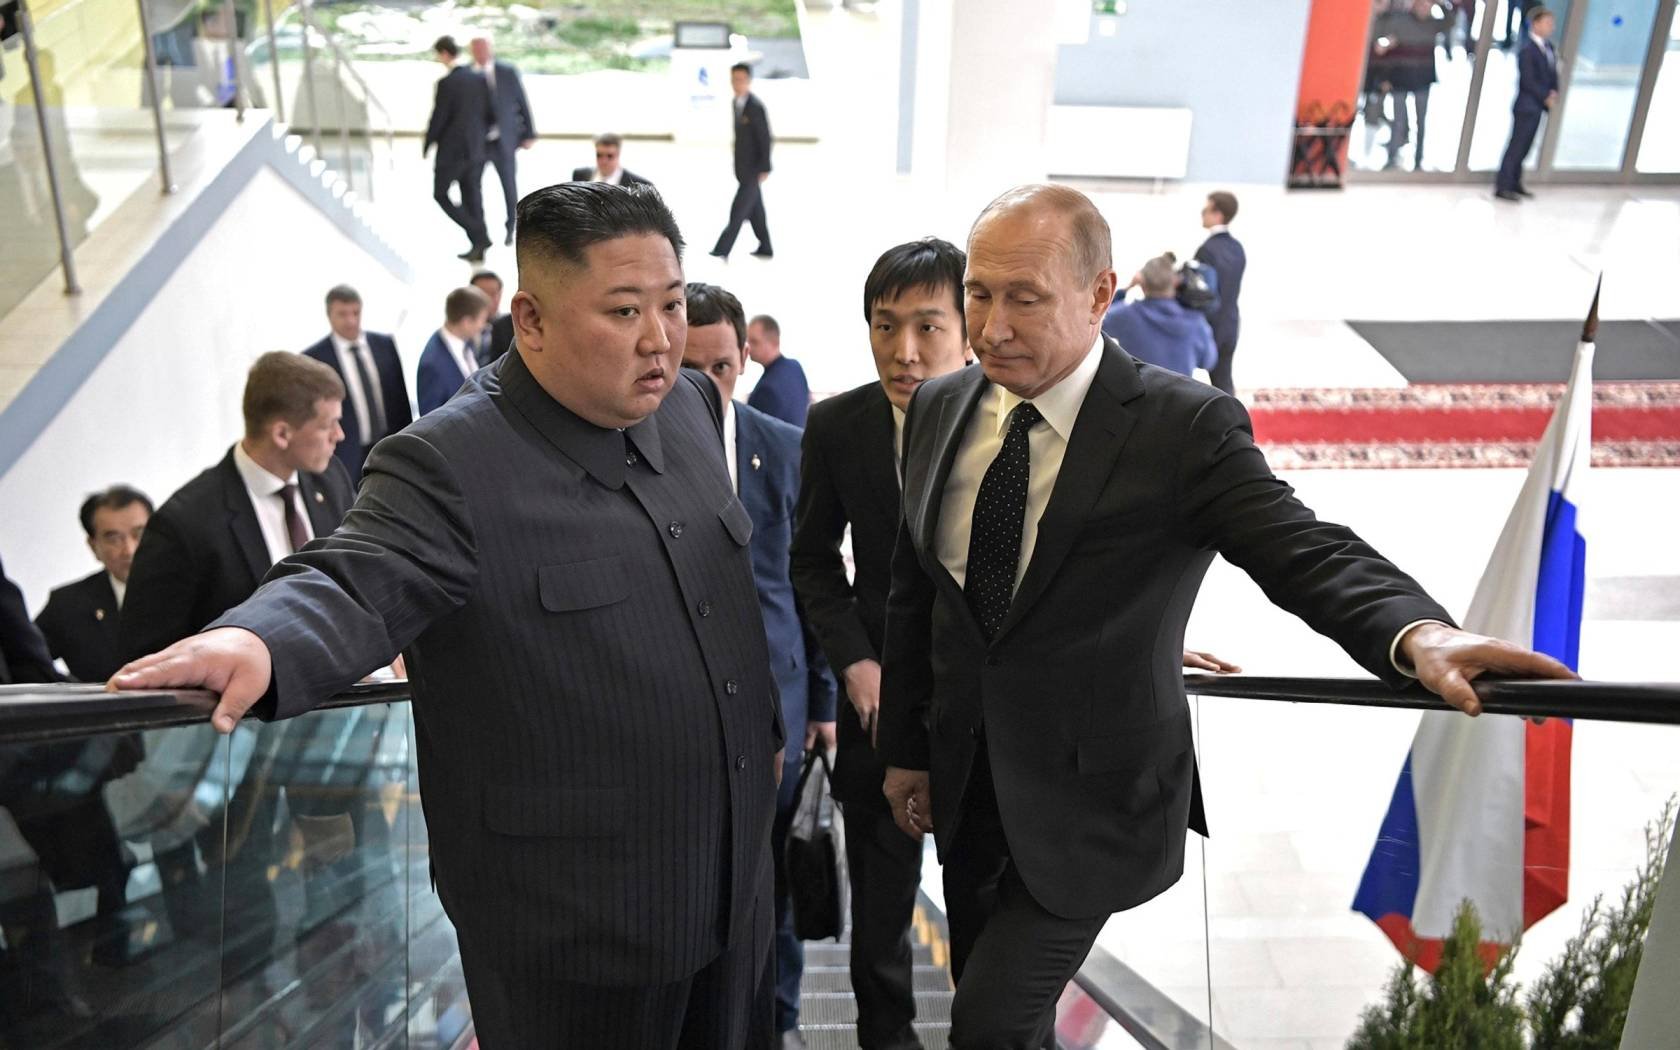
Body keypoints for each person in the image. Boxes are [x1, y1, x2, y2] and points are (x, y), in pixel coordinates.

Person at [875, 184, 1578, 1049]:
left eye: (1025, 298)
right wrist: (907, 748)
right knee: (995, 1000)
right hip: (968, 782)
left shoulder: (1181, 427)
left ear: (1102, 295)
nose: (990, 328)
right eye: (978, 294)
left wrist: (1416, 630)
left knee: (985, 1026)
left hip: (1094, 801)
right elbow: (917, 590)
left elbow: (1300, 546)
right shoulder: (944, 406)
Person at [111, 183, 783, 1050]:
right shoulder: (449, 462)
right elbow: (352, 575)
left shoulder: (690, 407)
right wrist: (255, 637)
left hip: (735, 892)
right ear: (531, 320)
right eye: (623, 311)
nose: (659, 339)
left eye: (672, 304)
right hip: (581, 934)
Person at [789, 237, 973, 1050]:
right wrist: (855, 661)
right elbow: (811, 561)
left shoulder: (1008, 422)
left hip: (982, 723)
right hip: (877, 720)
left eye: (928, 328)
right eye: (884, 326)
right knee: (880, 930)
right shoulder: (837, 424)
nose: (904, 352)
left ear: (970, 327)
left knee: (988, 928)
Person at [682, 282, 836, 1050]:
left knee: (777, 883)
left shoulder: (783, 447)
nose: (704, 385)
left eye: (719, 366)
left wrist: (825, 704)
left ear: (745, 358)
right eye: (689, 369)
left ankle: (778, 1022)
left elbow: (811, 583)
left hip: (780, 697)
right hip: (685, 718)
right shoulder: (639, 452)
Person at [119, 352, 354, 663]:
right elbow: (150, 654)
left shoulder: (330, 478)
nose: (340, 435)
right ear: (281, 433)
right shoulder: (185, 524)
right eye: (329, 425)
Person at [34, 485, 153, 683]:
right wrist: (73, 693)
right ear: (93, 546)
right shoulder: (67, 604)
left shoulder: (193, 590)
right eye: (114, 538)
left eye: (139, 534)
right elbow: (24, 660)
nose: (129, 550)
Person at [303, 284, 413, 484]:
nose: (351, 320)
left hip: (389, 446)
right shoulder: (314, 358)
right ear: (329, 315)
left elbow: (400, 399)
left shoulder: (384, 345)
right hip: (345, 454)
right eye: (342, 314)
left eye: (355, 312)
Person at [424, 35, 494, 262]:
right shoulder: (479, 79)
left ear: (444, 54)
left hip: (452, 151)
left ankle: (479, 234)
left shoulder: (447, 83)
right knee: (472, 195)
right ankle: (478, 245)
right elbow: (489, 113)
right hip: (476, 149)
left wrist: (428, 142)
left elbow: (439, 117)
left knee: (441, 194)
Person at [1101, 254, 1218, 379]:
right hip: (1180, 396)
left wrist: (1126, 290)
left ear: (1141, 282)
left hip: (1138, 395)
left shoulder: (1126, 316)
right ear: (1176, 282)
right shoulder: (1195, 321)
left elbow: (1100, 318)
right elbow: (1208, 361)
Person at [470, 36, 535, 247]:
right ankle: (480, 233)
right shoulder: (468, 74)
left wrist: (529, 133)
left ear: (490, 49)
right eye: (476, 49)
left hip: (504, 140)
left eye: (483, 48)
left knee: (509, 184)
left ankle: (511, 227)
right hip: (477, 142)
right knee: (472, 186)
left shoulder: (506, 72)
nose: (480, 52)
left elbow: (521, 100)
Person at [710, 63, 773, 261]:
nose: (736, 84)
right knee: (756, 210)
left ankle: (722, 249)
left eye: (741, 80)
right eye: (733, 79)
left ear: (749, 81)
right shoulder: (736, 102)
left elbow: (765, 137)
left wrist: (765, 167)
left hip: (754, 169)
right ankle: (766, 246)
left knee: (738, 210)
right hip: (743, 168)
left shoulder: (755, 106)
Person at [1496, 6, 1559, 202]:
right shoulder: (1527, 49)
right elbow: (1528, 80)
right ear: (1535, 24)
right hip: (1526, 105)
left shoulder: (1548, 47)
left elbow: (1552, 73)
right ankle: (1504, 185)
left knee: (1526, 146)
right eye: (1547, 23)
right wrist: (1544, 96)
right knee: (1516, 146)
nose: (1551, 27)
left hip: (1538, 106)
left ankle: (1515, 182)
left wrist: (1554, 92)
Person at [1193, 191, 1246, 396]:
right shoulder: (1237, 248)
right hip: (1231, 323)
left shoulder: (1206, 250)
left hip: (1211, 326)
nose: (1202, 214)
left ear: (1218, 214)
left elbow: (1201, 295)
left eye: (1205, 210)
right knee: (1224, 383)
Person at [418, 285, 493, 415]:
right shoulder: (432, 365)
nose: (484, 326)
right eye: (482, 320)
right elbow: (430, 425)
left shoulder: (467, 343)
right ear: (466, 322)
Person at [745, 315, 810, 427]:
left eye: (754, 342)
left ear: (774, 342)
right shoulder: (794, 367)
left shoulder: (767, 389)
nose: (748, 347)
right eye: (748, 341)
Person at [572, 132, 654, 188]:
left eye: (610, 156)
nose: (604, 161)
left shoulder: (639, 184)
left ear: (618, 154)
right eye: (599, 155)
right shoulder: (579, 175)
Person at [472, 270, 515, 365]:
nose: (487, 299)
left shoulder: (514, 328)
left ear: (500, 294)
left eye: (492, 293)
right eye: (481, 293)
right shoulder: (458, 329)